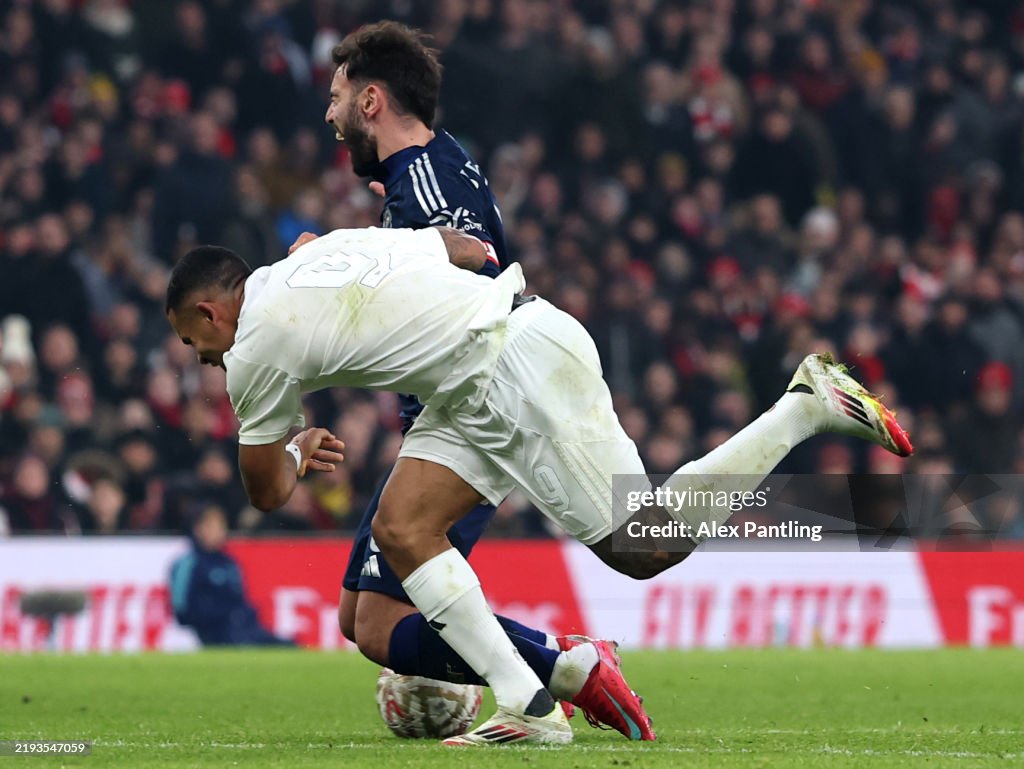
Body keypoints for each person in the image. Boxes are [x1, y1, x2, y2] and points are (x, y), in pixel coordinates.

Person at [164, 225, 912, 744]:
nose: (203, 360)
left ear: (208, 309)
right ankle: (530, 701)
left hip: (510, 372)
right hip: (480, 370)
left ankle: (802, 408)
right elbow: (466, 248)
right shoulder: (321, 254)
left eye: (194, 344)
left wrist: (293, 448)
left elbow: (264, 492)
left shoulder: (252, 347)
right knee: (401, 530)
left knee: (644, 544)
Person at [295, 21, 644, 740]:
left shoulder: (424, 178)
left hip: (480, 407)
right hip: (451, 409)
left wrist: (333, 258)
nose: (327, 116)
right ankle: (558, 674)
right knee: (362, 619)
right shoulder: (425, 168)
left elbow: (472, 265)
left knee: (386, 609)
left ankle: (557, 677)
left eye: (335, 98)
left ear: (370, 102)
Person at [169, 504, 294, 646]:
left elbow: (240, 599)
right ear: (197, 529)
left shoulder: (230, 563)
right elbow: (182, 609)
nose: (218, 531)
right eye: (211, 526)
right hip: (213, 633)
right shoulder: (188, 564)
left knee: (288, 646)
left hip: (241, 629)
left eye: (220, 525)